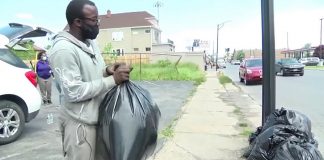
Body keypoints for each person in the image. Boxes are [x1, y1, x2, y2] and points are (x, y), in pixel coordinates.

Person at [48, 0, 131, 159]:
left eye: (97, 19)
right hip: (80, 126)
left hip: (98, 120)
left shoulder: (90, 42)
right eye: (94, 20)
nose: (98, 24)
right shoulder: (63, 50)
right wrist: (112, 80)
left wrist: (107, 71)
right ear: (77, 22)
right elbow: (74, 91)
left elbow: (91, 74)